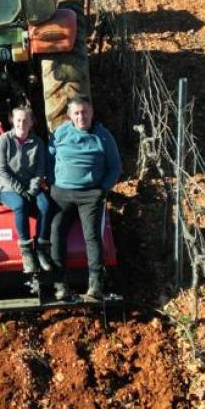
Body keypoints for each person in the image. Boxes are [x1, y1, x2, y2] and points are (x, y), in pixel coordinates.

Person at [48, 96, 121, 301]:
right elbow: (49, 157)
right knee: (56, 230)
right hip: (62, 193)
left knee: (92, 236)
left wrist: (102, 189)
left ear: (91, 113)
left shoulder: (103, 136)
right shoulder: (60, 133)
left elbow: (115, 167)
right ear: (70, 115)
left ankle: (96, 284)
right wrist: (53, 182)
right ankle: (60, 284)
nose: (81, 116)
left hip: (91, 194)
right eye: (77, 113)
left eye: (85, 112)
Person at [0, 105, 54, 292]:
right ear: (12, 121)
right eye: (18, 120)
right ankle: (26, 251)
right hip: (7, 187)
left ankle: (42, 247)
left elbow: (40, 169)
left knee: (45, 206)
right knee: (20, 205)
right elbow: (1, 170)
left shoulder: (37, 143)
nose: (21, 123)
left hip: (31, 187)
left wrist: (34, 188)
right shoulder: (4, 140)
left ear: (31, 123)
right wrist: (21, 190)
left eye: (25, 120)